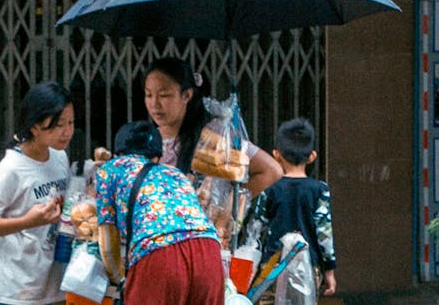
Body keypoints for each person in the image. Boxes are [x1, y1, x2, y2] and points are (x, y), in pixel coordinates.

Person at [96, 120, 225, 304]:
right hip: (209, 252)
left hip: (159, 255)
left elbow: (108, 243)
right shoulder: (176, 174)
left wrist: (119, 278)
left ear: (118, 153)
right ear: (157, 157)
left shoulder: (110, 169)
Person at [0, 81, 74, 305]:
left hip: (49, 286)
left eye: (70, 122)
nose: (67, 132)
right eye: (58, 125)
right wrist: (28, 221)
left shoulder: (59, 157)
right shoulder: (11, 169)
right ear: (35, 126)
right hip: (12, 290)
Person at [142, 57, 282, 197]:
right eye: (148, 95)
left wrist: (230, 204)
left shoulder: (214, 135)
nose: (154, 104)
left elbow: (272, 171)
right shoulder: (146, 140)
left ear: (186, 95)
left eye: (163, 95)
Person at [251, 117, 337, 300]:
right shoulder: (319, 190)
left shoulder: (270, 188)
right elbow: (324, 234)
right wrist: (329, 270)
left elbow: (256, 229)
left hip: (272, 266)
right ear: (312, 156)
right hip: (308, 265)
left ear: (276, 154)